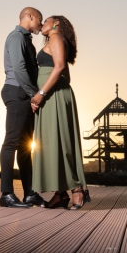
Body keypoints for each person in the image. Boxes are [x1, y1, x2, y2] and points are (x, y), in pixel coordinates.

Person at [30, 15, 90, 210]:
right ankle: (60, 194)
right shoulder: (56, 40)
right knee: (54, 143)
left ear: (56, 23)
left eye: (46, 20)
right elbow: (66, 76)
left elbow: (60, 67)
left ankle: (78, 191)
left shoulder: (56, 37)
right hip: (54, 95)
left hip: (52, 95)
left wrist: (41, 93)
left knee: (62, 143)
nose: (42, 24)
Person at [0, 7, 47, 208]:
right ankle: (6, 195)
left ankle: (30, 194)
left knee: (26, 146)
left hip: (24, 94)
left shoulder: (26, 40)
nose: (40, 25)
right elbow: (19, 69)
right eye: (39, 20)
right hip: (18, 92)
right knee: (11, 143)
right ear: (30, 17)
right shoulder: (16, 37)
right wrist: (33, 95)